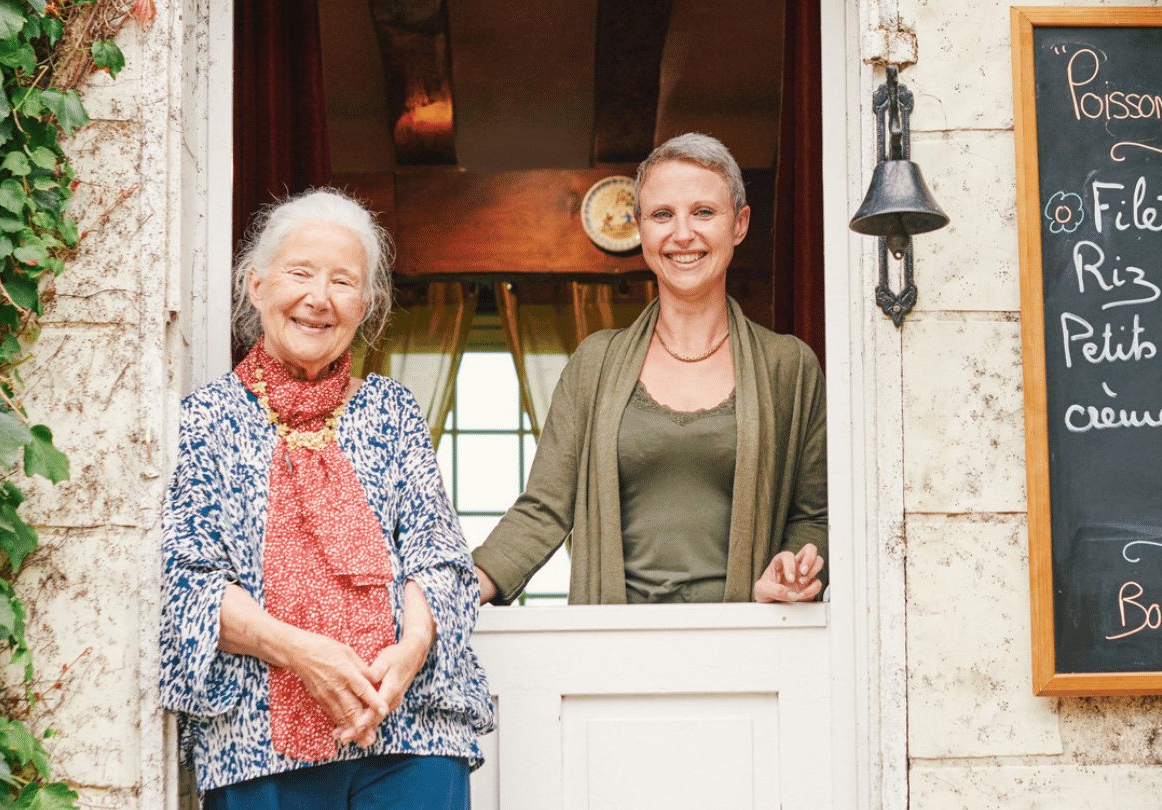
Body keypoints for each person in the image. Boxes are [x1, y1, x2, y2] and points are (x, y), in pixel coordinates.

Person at [159, 189, 493, 808]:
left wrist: (411, 650)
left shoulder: (392, 411)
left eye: (343, 282)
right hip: (257, 741)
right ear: (256, 286)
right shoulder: (204, 420)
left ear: (363, 307)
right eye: (300, 273)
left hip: (412, 729)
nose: (319, 298)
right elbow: (188, 582)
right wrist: (302, 654)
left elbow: (439, 559)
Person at [472, 133, 827, 605]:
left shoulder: (790, 366)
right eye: (662, 215)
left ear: (739, 224)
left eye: (703, 212)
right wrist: (453, 593)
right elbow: (543, 511)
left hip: (748, 648)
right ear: (640, 228)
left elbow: (815, 516)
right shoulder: (594, 364)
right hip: (616, 649)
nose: (683, 234)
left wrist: (792, 568)